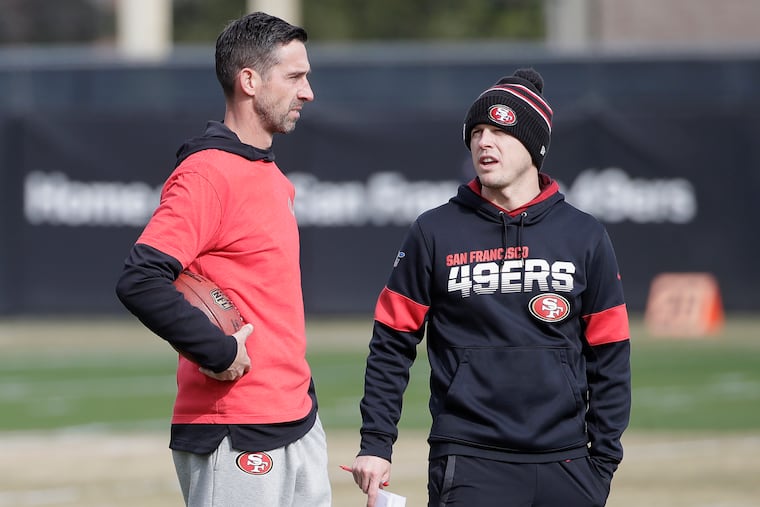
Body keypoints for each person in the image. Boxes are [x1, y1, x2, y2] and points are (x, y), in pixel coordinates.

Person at [350, 68, 631, 507]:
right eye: (478, 131)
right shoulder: (434, 231)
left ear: (535, 146)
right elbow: (391, 344)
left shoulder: (585, 235)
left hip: (568, 465)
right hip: (468, 459)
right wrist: (376, 443)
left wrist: (603, 463)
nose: (485, 142)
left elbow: (610, 352)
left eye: (501, 131)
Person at [115, 12, 331, 507]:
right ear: (249, 81)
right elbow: (140, 278)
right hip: (234, 429)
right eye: (295, 77)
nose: (308, 92)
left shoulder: (271, 176)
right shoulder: (207, 173)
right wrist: (217, 351)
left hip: (296, 420)